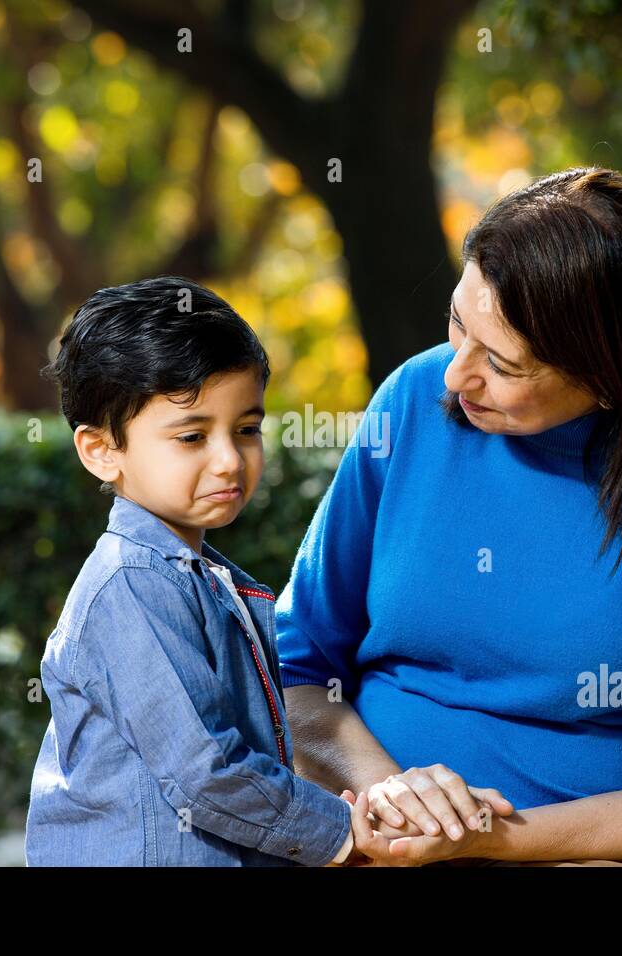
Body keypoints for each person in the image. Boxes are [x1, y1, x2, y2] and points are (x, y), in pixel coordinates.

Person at [277, 167, 622, 866]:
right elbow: (293, 670)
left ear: (613, 374)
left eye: (501, 362)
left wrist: (487, 840)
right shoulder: (410, 403)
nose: (456, 375)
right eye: (456, 325)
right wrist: (400, 799)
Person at [24, 278, 403, 866]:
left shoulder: (203, 576)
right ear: (101, 449)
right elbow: (206, 770)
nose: (230, 459)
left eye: (246, 429)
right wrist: (342, 835)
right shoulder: (132, 584)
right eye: (193, 436)